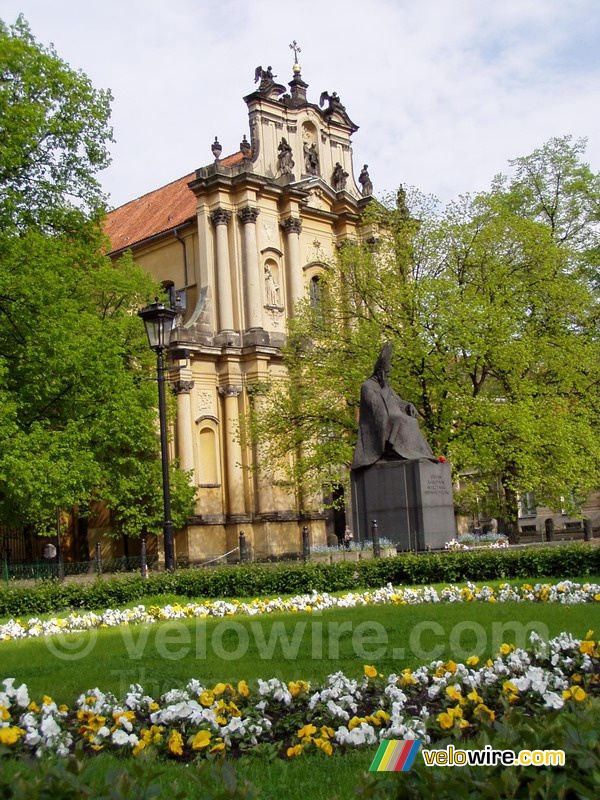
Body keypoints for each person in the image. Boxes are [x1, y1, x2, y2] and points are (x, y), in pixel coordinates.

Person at [352, 343, 438, 469]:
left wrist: (409, 405)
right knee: (400, 419)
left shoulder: (385, 385)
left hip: (390, 417)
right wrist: (385, 390)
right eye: (386, 373)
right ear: (379, 373)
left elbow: (397, 401)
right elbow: (375, 407)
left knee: (411, 421)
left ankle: (419, 453)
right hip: (375, 424)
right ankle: (394, 449)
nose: (388, 376)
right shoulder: (367, 386)